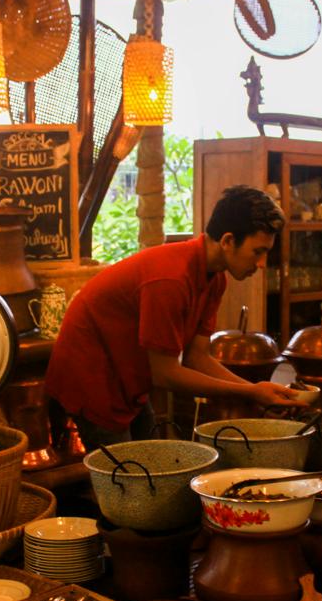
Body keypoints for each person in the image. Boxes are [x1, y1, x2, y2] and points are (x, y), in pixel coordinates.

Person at [45, 185, 301, 450]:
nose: (262, 264)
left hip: (126, 376)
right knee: (125, 482)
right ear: (227, 241)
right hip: (91, 377)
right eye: (258, 251)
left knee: (152, 464)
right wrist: (249, 393)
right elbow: (165, 375)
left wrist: (257, 392)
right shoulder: (171, 279)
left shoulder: (215, 279)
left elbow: (197, 357)